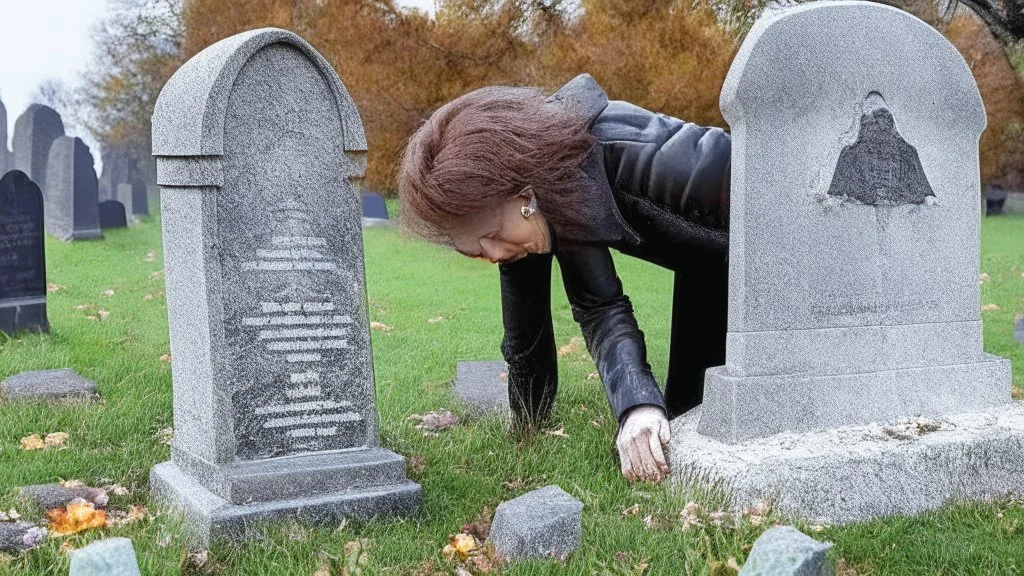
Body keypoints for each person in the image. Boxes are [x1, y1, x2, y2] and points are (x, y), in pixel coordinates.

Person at [398, 73, 731, 484]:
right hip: (703, 267)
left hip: (765, 251)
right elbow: (526, 327)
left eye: (491, 239)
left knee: (700, 424)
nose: (495, 256)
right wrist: (528, 421)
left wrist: (636, 407)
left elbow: (601, 307)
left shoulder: (624, 157)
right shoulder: (542, 190)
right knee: (682, 425)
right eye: (478, 251)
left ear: (523, 196)